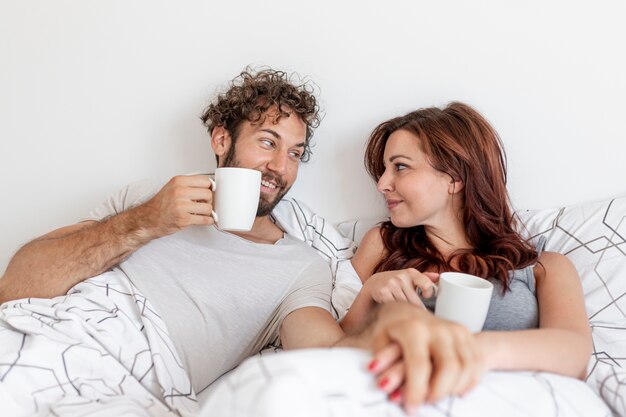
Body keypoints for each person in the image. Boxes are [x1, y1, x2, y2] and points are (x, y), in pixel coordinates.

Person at [0, 69, 473, 415]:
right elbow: (17, 285)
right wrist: (145, 221)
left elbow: (325, 354)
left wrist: (388, 317)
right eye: (267, 142)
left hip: (123, 373)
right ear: (221, 140)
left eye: (294, 153)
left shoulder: (301, 263)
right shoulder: (150, 198)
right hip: (45, 330)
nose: (280, 167)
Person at [340, 102, 592, 403]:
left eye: (400, 166)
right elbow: (334, 349)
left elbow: (574, 353)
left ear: (454, 178)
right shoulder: (381, 244)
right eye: (383, 170)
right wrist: (369, 293)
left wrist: (464, 349)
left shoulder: (543, 267)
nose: (382, 184)